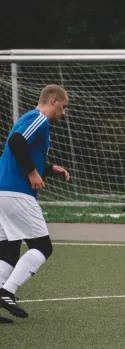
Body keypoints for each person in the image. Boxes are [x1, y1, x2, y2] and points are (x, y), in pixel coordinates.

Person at [0, 84, 71, 323]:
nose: (63, 113)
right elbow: (16, 143)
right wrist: (33, 173)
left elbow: (24, 152)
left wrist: (49, 169)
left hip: (3, 193)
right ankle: (7, 291)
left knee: (8, 251)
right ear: (53, 101)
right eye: (63, 107)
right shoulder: (38, 118)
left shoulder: (35, 122)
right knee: (43, 246)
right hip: (17, 193)